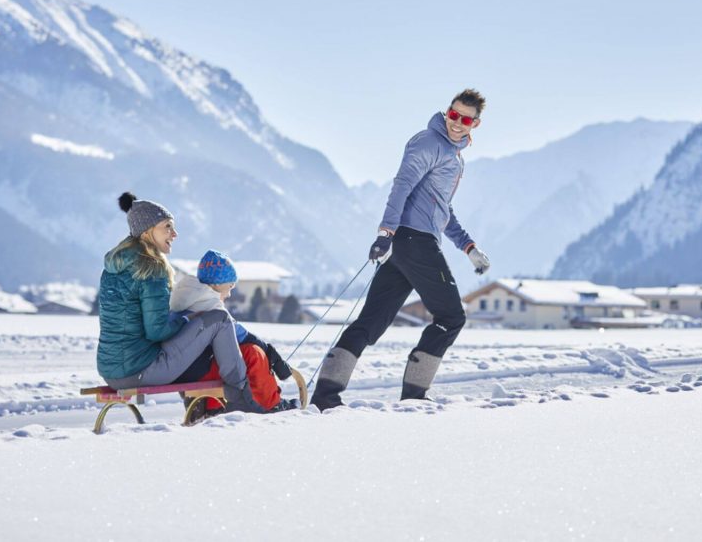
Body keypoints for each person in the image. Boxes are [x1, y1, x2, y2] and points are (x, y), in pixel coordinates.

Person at [311, 89, 491, 409]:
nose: (456, 123)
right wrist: (386, 231)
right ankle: (415, 396)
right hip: (414, 242)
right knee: (451, 318)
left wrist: (468, 247)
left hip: (410, 245)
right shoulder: (429, 142)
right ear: (446, 112)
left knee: (370, 323)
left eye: (465, 119)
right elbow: (402, 186)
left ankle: (325, 397)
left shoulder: (453, 156)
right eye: (453, 115)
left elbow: (442, 210)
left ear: (475, 124)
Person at [96, 192, 266, 413]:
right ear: (147, 231)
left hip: (110, 371)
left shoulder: (113, 267)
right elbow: (157, 332)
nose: (174, 233)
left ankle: (211, 403)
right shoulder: (151, 267)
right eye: (167, 226)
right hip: (140, 371)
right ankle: (241, 398)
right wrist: (187, 318)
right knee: (219, 319)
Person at [169, 249, 299, 417]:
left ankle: (213, 406)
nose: (230, 294)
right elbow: (239, 334)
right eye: (230, 286)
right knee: (252, 352)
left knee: (227, 357)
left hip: (183, 369)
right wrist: (270, 353)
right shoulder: (208, 303)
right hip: (197, 370)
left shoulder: (185, 296)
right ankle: (271, 404)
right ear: (216, 284)